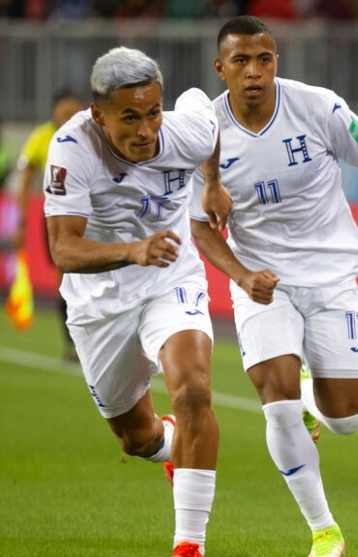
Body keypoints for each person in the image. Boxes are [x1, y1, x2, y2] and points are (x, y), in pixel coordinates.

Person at [189, 16, 358, 557]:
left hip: (332, 277)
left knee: (347, 419)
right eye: (241, 61)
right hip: (263, 281)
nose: (255, 72)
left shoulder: (318, 106)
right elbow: (197, 226)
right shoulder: (204, 136)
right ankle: (324, 530)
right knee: (275, 400)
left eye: (265, 59)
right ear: (221, 69)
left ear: (276, 61)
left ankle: (312, 395)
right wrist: (240, 276)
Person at [43, 47, 222, 557]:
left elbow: (209, 128)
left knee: (193, 391)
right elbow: (63, 249)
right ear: (98, 115)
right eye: (129, 117)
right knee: (136, 438)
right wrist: (132, 251)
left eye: (152, 113)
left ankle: (190, 544)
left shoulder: (181, 130)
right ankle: (170, 447)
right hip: (100, 301)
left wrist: (211, 184)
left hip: (170, 277)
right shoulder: (71, 149)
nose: (146, 130)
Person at [14, 89, 86, 360]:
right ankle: (71, 342)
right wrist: (20, 221)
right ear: (55, 111)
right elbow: (25, 181)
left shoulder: (90, 133)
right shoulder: (42, 138)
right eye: (64, 111)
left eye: (73, 111)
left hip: (91, 215)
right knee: (65, 277)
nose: (69, 116)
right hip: (55, 217)